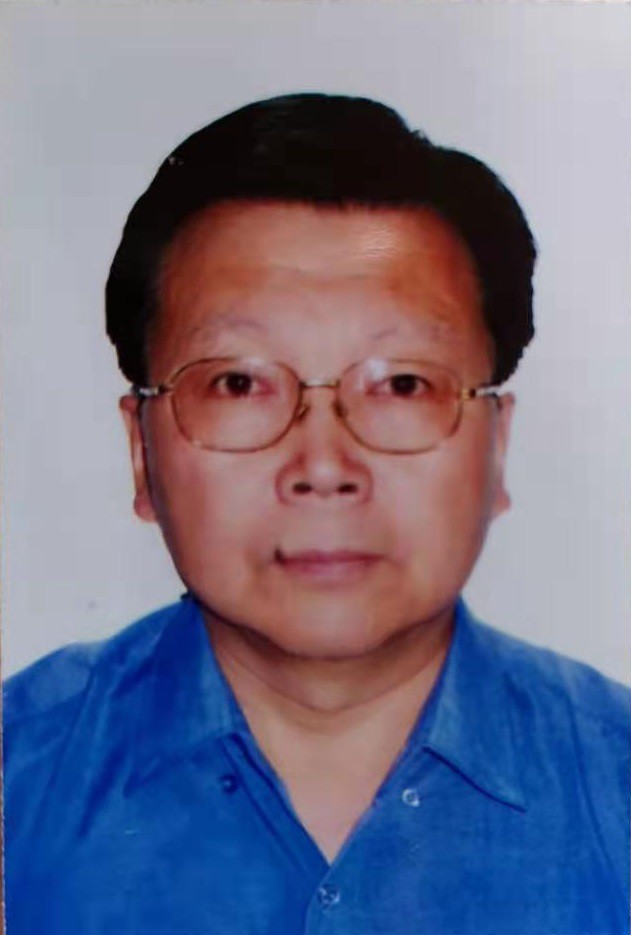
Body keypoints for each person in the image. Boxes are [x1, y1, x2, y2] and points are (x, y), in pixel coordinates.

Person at [3, 93, 628, 935]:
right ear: (142, 453)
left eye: (401, 384)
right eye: (238, 383)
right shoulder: (17, 778)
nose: (324, 468)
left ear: (496, 447)